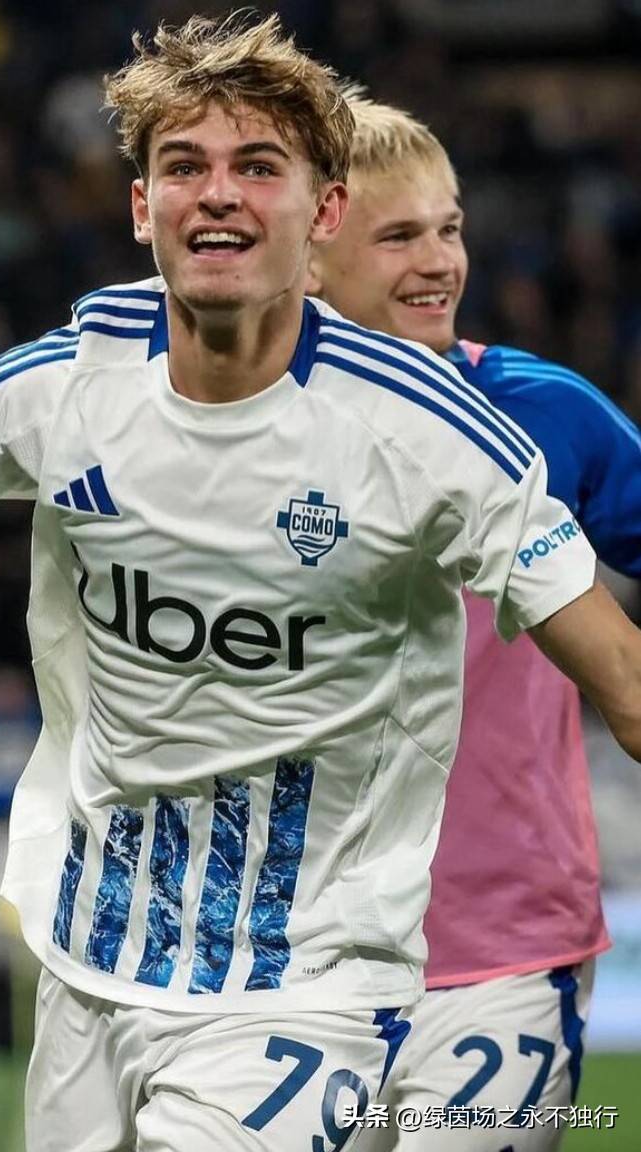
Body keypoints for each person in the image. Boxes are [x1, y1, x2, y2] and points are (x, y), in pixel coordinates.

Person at [0, 13, 639, 1150]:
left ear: (322, 212)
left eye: (258, 167)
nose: (216, 194)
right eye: (184, 166)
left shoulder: (438, 437)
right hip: (91, 967)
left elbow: (622, 679)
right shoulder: (62, 388)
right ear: (142, 207)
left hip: (304, 986)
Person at [312, 91, 641, 1149]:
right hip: (294, 965)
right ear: (309, 254)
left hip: (503, 953)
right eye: (398, 236)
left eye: (448, 230)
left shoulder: (541, 411)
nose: (437, 262)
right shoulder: (234, 428)